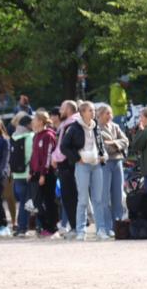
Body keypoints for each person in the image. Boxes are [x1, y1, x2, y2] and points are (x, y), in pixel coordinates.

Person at [60, 101, 111, 240]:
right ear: (82, 112)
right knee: (82, 199)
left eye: (94, 110)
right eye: (90, 110)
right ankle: (81, 231)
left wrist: (102, 156)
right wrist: (77, 158)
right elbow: (64, 147)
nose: (93, 112)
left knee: (98, 199)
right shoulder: (74, 128)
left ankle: (101, 230)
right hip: (82, 166)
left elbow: (100, 144)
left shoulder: (96, 127)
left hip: (96, 165)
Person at [96, 103, 129, 225]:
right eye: (107, 113)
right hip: (104, 163)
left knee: (118, 194)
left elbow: (126, 141)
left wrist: (113, 143)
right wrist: (118, 145)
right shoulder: (96, 129)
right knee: (104, 196)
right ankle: (107, 225)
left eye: (111, 113)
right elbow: (104, 147)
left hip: (118, 162)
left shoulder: (115, 126)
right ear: (99, 115)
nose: (110, 115)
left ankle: (119, 224)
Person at [29, 110, 59, 236]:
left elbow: (47, 156)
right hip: (36, 173)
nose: (32, 122)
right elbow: (34, 155)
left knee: (48, 201)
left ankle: (52, 228)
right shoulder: (36, 135)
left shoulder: (48, 135)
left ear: (41, 121)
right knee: (35, 203)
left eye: (34, 119)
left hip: (46, 174)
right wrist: (31, 171)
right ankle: (44, 226)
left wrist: (43, 174)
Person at [52, 100, 80, 237]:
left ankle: (76, 227)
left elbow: (63, 147)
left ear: (69, 109)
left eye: (62, 108)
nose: (60, 111)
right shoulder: (67, 123)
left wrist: (55, 157)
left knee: (70, 197)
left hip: (68, 164)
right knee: (69, 197)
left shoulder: (71, 124)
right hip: (67, 164)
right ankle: (76, 225)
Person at [9, 113, 35, 236]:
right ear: (29, 124)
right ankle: (23, 227)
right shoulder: (30, 136)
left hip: (17, 175)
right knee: (28, 203)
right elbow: (31, 156)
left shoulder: (14, 136)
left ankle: (21, 226)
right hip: (28, 174)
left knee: (23, 203)